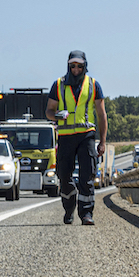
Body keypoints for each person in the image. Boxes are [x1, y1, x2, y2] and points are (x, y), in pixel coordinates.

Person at [46, 50, 107, 226]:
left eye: (79, 66)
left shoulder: (94, 85)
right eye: (72, 65)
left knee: (87, 174)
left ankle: (86, 213)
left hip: (86, 135)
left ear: (84, 66)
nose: (76, 69)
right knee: (64, 176)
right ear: (68, 65)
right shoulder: (58, 85)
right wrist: (57, 115)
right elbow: (49, 111)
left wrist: (102, 142)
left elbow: (102, 115)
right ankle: (69, 207)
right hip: (65, 136)